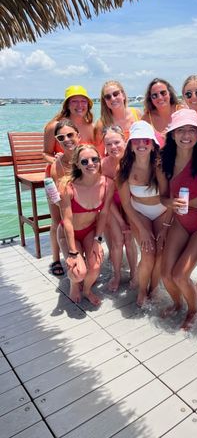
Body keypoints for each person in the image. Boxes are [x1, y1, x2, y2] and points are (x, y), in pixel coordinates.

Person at [159, 109, 197, 329]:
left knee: (180, 275)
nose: (186, 135)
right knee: (165, 275)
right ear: (172, 134)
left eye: (191, 130)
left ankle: (193, 309)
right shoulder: (164, 162)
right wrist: (170, 204)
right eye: (181, 130)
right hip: (180, 222)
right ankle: (178, 303)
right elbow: (162, 197)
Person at [117, 120, 171, 306]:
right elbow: (126, 203)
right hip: (139, 212)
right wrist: (143, 229)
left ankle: (154, 288)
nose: (141, 145)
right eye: (136, 141)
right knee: (148, 253)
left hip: (161, 212)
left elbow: (167, 199)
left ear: (153, 145)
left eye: (146, 141)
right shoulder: (123, 169)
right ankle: (142, 290)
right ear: (130, 145)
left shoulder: (160, 166)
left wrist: (164, 228)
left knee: (160, 252)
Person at [44, 85, 94, 274]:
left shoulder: (89, 125)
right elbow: (45, 153)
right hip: (57, 174)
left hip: (80, 176)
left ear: (88, 104)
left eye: (83, 101)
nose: (79, 105)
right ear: (67, 104)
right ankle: (56, 260)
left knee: (77, 216)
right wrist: (56, 160)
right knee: (58, 220)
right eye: (74, 101)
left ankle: (81, 252)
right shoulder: (53, 126)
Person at [58, 144, 114, 306]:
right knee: (79, 272)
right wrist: (73, 252)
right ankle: (74, 284)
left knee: (95, 266)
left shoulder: (108, 184)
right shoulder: (67, 186)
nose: (90, 163)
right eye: (84, 161)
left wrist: (98, 240)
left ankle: (87, 290)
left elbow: (103, 214)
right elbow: (67, 221)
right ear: (77, 164)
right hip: (69, 233)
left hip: (90, 231)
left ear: (100, 160)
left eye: (94, 159)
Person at [101, 126, 138, 291]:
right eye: (109, 144)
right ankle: (116, 275)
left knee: (130, 240)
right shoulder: (103, 165)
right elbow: (106, 199)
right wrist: (121, 221)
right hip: (112, 206)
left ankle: (134, 274)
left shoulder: (134, 161)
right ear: (104, 146)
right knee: (117, 240)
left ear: (125, 141)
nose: (113, 147)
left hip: (131, 204)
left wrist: (129, 218)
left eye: (117, 142)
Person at [47, 120, 81, 276]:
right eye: (61, 138)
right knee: (56, 219)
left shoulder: (87, 157)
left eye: (70, 135)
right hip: (61, 198)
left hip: (82, 203)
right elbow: (61, 205)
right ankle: (55, 259)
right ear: (57, 142)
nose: (66, 139)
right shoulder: (56, 166)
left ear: (78, 136)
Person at [94, 80, 142, 155]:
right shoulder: (102, 123)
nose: (113, 98)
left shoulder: (137, 114)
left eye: (116, 94)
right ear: (105, 101)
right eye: (108, 97)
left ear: (123, 95)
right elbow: (99, 154)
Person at [142, 78, 182, 146]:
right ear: (150, 99)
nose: (160, 97)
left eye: (163, 93)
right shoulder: (146, 119)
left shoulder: (181, 111)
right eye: (155, 95)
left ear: (169, 93)